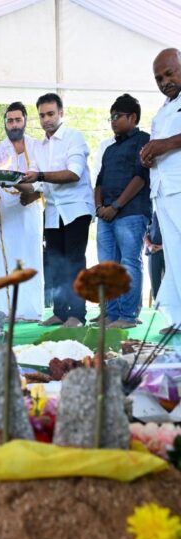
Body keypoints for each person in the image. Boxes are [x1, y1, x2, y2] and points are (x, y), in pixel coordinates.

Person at [22, 93, 95, 328]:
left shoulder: (74, 137)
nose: (46, 119)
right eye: (42, 115)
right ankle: (60, 312)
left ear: (61, 113)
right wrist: (4, 180)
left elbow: (73, 173)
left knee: (74, 261)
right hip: (53, 212)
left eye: (51, 114)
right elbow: (34, 183)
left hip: (76, 209)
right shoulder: (39, 146)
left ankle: (78, 315)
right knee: (55, 262)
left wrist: (40, 176)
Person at [0, 102, 45, 321]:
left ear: (25, 121)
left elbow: (45, 180)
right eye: (10, 120)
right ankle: (6, 310)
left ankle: (30, 311)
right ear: (5, 123)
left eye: (18, 119)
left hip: (30, 210)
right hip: (6, 211)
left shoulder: (38, 146)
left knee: (31, 257)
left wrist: (34, 193)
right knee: (6, 258)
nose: (14, 124)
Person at [95, 94, 151, 329]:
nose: (113, 121)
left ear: (133, 117)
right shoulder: (109, 149)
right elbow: (99, 182)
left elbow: (140, 177)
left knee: (128, 263)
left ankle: (127, 316)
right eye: (111, 117)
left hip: (131, 213)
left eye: (117, 116)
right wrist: (100, 207)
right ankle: (111, 313)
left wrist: (116, 206)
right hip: (105, 215)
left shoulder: (144, 140)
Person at [140, 48, 181, 334]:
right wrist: (147, 155)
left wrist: (165, 144)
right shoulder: (163, 109)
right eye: (158, 78)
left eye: (169, 73)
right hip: (162, 191)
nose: (164, 81)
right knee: (174, 255)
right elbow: (159, 146)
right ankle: (178, 318)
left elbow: (168, 144)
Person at [145, 211, 164, 301]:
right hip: (153, 252)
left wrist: (162, 247)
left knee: (169, 283)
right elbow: (144, 232)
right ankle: (157, 305)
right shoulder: (151, 212)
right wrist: (149, 245)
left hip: (168, 253)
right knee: (155, 283)